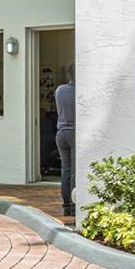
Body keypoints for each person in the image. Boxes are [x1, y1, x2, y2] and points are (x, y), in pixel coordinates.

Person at [55, 64, 76, 218]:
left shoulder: (60, 90)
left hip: (61, 132)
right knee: (75, 171)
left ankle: (66, 205)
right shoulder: (80, 91)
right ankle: (75, 206)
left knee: (66, 169)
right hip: (75, 133)